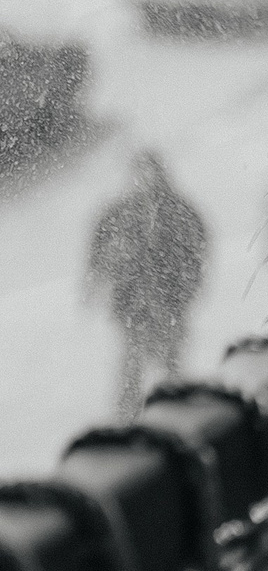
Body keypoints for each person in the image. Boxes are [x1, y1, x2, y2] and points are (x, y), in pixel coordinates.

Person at [83, 148, 208, 419]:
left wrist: (188, 287)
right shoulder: (120, 212)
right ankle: (127, 418)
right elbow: (99, 247)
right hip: (132, 304)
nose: (145, 179)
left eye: (150, 172)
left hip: (170, 301)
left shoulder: (178, 211)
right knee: (133, 360)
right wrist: (94, 280)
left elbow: (197, 250)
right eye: (140, 173)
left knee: (170, 358)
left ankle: (177, 409)